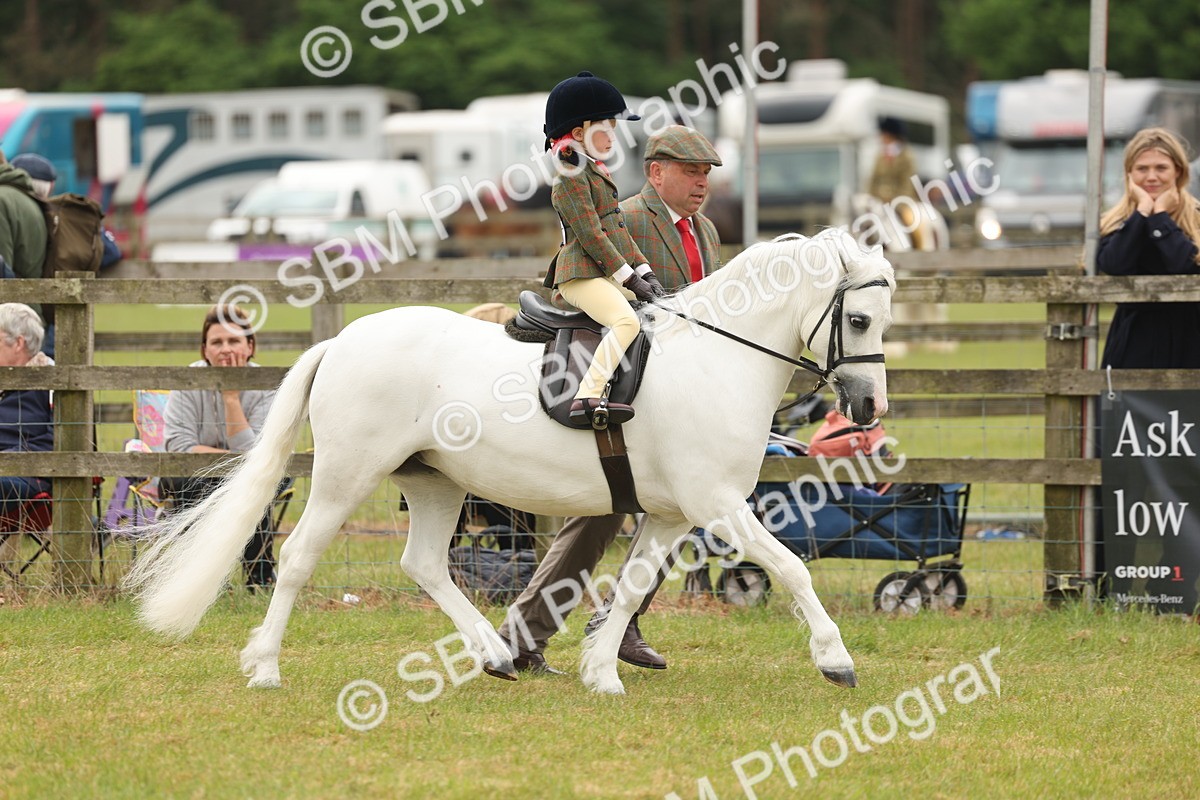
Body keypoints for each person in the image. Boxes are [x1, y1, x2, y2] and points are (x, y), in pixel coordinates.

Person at [499, 126, 724, 675]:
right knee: (598, 517)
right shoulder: (627, 217)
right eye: (690, 171)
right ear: (656, 172)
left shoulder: (708, 231)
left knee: (678, 508)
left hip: (683, 394)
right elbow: (592, 295)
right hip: (629, 387)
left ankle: (610, 623)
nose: (701, 183)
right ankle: (528, 635)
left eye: (707, 174)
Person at [541, 71, 665, 426]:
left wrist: (645, 273)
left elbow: (618, 232)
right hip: (579, 274)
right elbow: (593, 236)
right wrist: (628, 278)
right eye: (606, 128)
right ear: (579, 133)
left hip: (600, 271)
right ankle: (587, 395)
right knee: (625, 321)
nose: (614, 136)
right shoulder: (570, 175)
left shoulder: (595, 172)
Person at [161, 305, 284, 588]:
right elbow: (179, 447)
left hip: (253, 476)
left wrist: (231, 398)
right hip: (195, 477)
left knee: (256, 481)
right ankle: (199, 579)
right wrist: (234, 462)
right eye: (217, 342)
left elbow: (260, 454)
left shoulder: (267, 385)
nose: (225, 349)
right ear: (204, 350)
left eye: (234, 341)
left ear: (250, 346)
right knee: (189, 479)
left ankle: (259, 577)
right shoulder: (188, 381)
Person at [1097, 127, 1200, 368]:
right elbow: (1114, 264)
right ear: (1129, 174)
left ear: (1178, 172)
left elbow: (1183, 265)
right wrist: (1142, 211)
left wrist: (1160, 217)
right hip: (1135, 340)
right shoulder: (1113, 223)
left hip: (1191, 338)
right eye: (1142, 169)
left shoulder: (1196, 221)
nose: (1151, 177)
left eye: (1161, 168)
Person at [0, 303, 54, 570]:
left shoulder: (53, 379)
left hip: (31, 478)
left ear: (18, 343)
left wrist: (10, 457)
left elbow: (61, 441)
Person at [0, 152, 48, 320]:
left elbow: (2, 270)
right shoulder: (22, 195)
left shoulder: (1, 200)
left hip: (10, 320)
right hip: (28, 313)